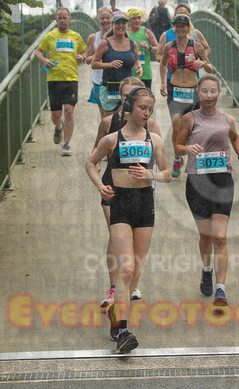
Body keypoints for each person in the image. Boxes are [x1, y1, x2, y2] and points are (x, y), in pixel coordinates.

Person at [86, 86, 170, 354]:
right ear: (130, 107)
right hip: (120, 204)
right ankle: (121, 329)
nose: (147, 113)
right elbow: (90, 163)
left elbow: (167, 173)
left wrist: (151, 176)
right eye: (143, 108)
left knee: (136, 271)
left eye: (150, 109)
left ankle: (117, 316)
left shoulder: (154, 140)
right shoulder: (111, 139)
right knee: (125, 268)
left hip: (145, 205)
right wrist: (100, 186)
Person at [174, 74, 239, 306]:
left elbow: (235, 138)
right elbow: (177, 147)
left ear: (219, 93)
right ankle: (206, 270)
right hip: (197, 182)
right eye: (204, 91)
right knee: (206, 236)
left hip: (222, 180)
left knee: (220, 237)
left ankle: (220, 289)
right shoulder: (189, 119)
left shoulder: (227, 119)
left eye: (213, 91)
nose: (208, 96)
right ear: (199, 93)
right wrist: (187, 148)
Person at [92, 77, 162, 308]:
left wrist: (150, 174)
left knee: (133, 245)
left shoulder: (151, 127)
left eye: (133, 96)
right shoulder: (108, 122)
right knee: (117, 236)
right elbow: (95, 151)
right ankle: (115, 288)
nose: (128, 101)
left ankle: (129, 281)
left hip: (140, 191)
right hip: (113, 189)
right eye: (125, 97)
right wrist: (98, 169)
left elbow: (160, 159)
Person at [160, 13, 213, 177]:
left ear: (188, 27)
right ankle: (177, 158)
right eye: (177, 26)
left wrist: (203, 64)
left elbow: (210, 68)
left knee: (193, 127)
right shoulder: (169, 46)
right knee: (176, 123)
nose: (180, 29)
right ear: (174, 27)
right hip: (175, 90)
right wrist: (162, 83)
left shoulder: (196, 46)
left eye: (183, 26)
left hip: (192, 90)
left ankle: (194, 158)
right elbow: (162, 64)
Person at [35, 7, 87, 156]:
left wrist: (82, 57)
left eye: (65, 18)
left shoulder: (76, 36)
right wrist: (44, 60)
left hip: (71, 79)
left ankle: (66, 144)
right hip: (54, 79)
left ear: (70, 19)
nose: (62, 20)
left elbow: (85, 51)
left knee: (69, 112)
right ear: (55, 20)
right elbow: (38, 51)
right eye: (60, 18)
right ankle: (58, 127)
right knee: (56, 115)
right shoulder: (50, 36)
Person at [91, 11, 143, 116]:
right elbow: (94, 64)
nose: (120, 26)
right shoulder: (105, 43)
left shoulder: (132, 44)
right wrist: (109, 65)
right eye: (117, 23)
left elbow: (136, 60)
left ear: (127, 26)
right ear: (112, 25)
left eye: (123, 23)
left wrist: (139, 67)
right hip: (110, 88)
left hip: (126, 88)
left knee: (125, 118)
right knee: (111, 120)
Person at [85, 7, 113, 120]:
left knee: (117, 115)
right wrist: (98, 55)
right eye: (102, 18)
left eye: (107, 18)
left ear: (112, 19)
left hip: (116, 79)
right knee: (105, 117)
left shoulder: (119, 35)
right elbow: (87, 60)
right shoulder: (93, 38)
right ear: (98, 20)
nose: (105, 21)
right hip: (99, 80)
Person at [127, 8, 159, 90]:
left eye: (139, 18)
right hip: (129, 73)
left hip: (145, 73)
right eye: (134, 19)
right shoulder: (125, 33)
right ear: (129, 21)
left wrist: (148, 47)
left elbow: (158, 48)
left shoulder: (146, 31)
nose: (137, 21)